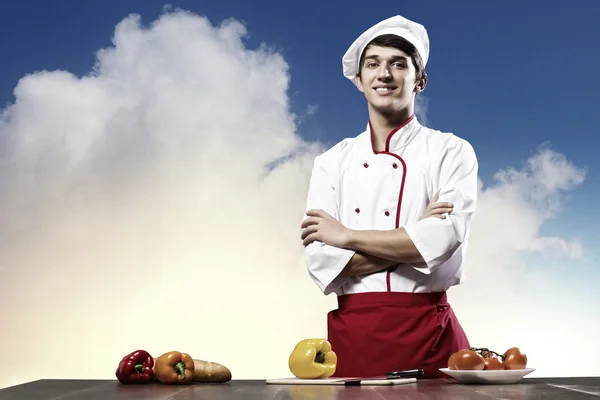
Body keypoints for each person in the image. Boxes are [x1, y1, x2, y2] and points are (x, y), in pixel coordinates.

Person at [300, 15, 478, 379]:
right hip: (353, 339)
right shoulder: (331, 163)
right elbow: (321, 263)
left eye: (398, 64)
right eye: (373, 64)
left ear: (420, 81)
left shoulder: (451, 151)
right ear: (359, 81)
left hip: (431, 338)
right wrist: (414, 237)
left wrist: (346, 236)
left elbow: (444, 239)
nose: (384, 74)